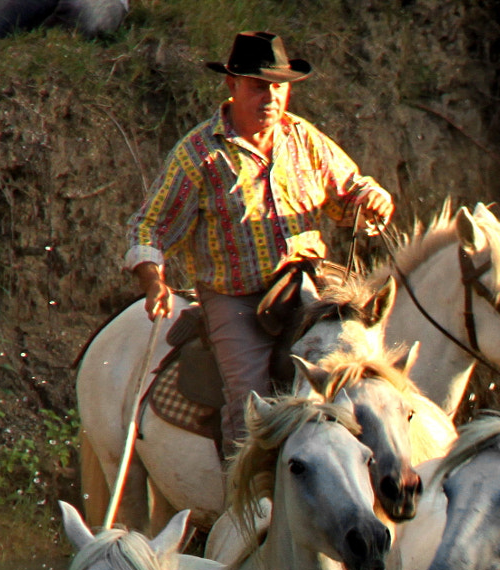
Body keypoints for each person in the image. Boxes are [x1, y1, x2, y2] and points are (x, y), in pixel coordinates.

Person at [123, 30, 394, 456]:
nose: (270, 98)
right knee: (250, 398)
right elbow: (149, 226)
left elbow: (350, 193)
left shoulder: (303, 137)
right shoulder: (199, 155)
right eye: (258, 87)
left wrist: (372, 198)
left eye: (278, 87)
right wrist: (153, 280)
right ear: (232, 85)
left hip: (309, 285)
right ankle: (245, 499)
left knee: (363, 364)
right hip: (238, 298)